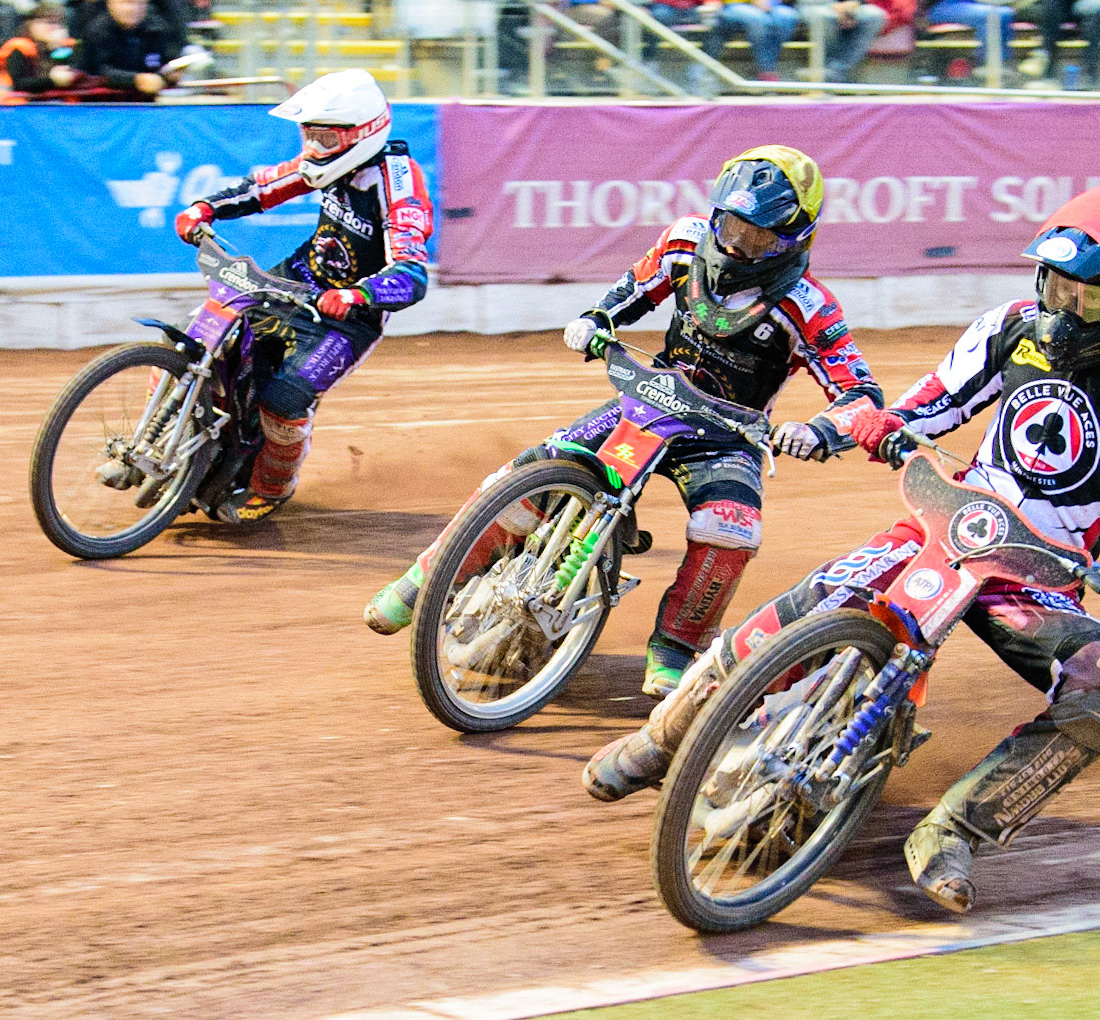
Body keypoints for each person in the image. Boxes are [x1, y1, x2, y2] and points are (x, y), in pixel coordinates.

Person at [583, 183, 1100, 913]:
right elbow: (935, 400)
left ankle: (955, 830)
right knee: (797, 610)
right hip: (950, 518)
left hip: (1037, 575)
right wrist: (882, 422)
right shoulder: (1011, 326)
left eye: (1087, 298)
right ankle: (662, 740)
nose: (1062, 309)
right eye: (1054, 284)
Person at [365, 146, 885, 699]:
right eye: (730, 225)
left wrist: (819, 431)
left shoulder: (808, 305)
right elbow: (634, 288)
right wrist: (597, 318)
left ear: (796, 236)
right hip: (653, 397)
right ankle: (424, 577)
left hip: (728, 437)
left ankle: (675, 650)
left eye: (757, 236)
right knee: (528, 473)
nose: (737, 244)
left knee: (729, 528)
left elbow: (861, 394)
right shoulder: (686, 241)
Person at [170, 69, 434, 524]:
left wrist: (356, 294)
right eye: (308, 134)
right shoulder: (326, 162)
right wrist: (204, 208)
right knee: (193, 346)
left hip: (347, 317)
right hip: (292, 280)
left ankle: (271, 487)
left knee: (284, 401)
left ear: (362, 134)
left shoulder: (398, 183)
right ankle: (171, 443)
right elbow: (264, 187)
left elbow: (413, 273)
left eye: (325, 138)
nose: (313, 148)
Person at [70, 0, 183, 98]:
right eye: (125, 2)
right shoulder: (96, 31)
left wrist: (171, 73)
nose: (132, 9)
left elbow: (168, 60)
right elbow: (100, 71)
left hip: (151, 100)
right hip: (103, 103)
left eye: (139, 3)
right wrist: (136, 80)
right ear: (110, 4)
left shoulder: (158, 29)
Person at [698, 0, 800, 83]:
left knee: (787, 17)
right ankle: (766, 71)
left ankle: (768, 65)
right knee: (758, 19)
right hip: (731, 5)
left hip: (769, 5)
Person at [0, 1, 74, 95]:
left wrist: (58, 47)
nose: (54, 28)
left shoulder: (58, 47)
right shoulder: (18, 48)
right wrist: (51, 81)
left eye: (57, 23)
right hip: (15, 105)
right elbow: (18, 85)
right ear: (32, 24)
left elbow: (65, 75)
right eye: (48, 22)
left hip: (46, 102)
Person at [800, 0, 887, 82]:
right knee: (825, 16)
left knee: (874, 15)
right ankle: (830, 70)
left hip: (846, 5)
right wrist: (834, 7)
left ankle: (838, 70)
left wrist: (854, 3)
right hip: (811, 5)